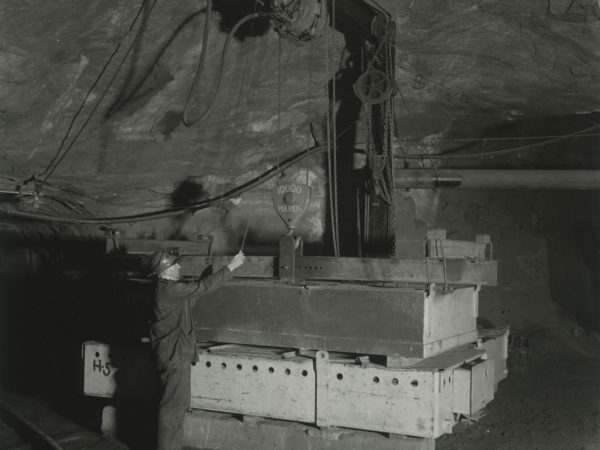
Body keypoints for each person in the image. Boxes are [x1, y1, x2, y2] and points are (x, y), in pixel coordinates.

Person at [147, 247, 245, 450]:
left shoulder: (167, 289)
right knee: (172, 408)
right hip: (174, 355)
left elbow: (190, 299)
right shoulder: (169, 290)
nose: (179, 266)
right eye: (175, 265)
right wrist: (231, 267)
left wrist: (204, 280)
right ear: (164, 271)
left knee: (175, 405)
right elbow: (202, 288)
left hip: (174, 352)